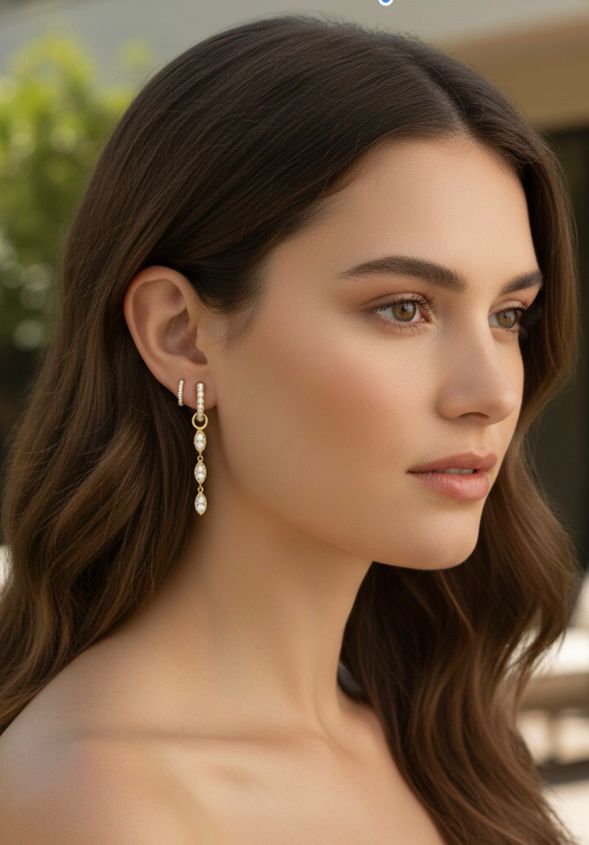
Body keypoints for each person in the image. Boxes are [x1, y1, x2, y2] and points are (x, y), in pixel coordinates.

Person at [0, 13, 581, 844]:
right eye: (403, 308)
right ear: (180, 333)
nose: (490, 391)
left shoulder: (438, 735)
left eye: (508, 315)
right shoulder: (99, 799)